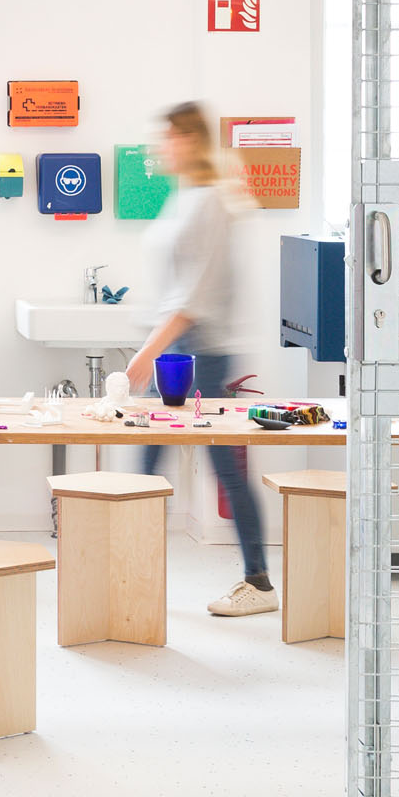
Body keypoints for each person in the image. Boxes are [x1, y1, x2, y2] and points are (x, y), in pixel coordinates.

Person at [122, 101, 275, 617]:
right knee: (148, 462)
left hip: (200, 355)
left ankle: (257, 582)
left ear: (188, 140)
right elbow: (173, 288)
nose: (157, 147)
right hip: (178, 351)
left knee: (218, 469)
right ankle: (126, 576)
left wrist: (149, 350)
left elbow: (195, 297)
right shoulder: (184, 198)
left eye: (165, 137)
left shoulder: (208, 202)